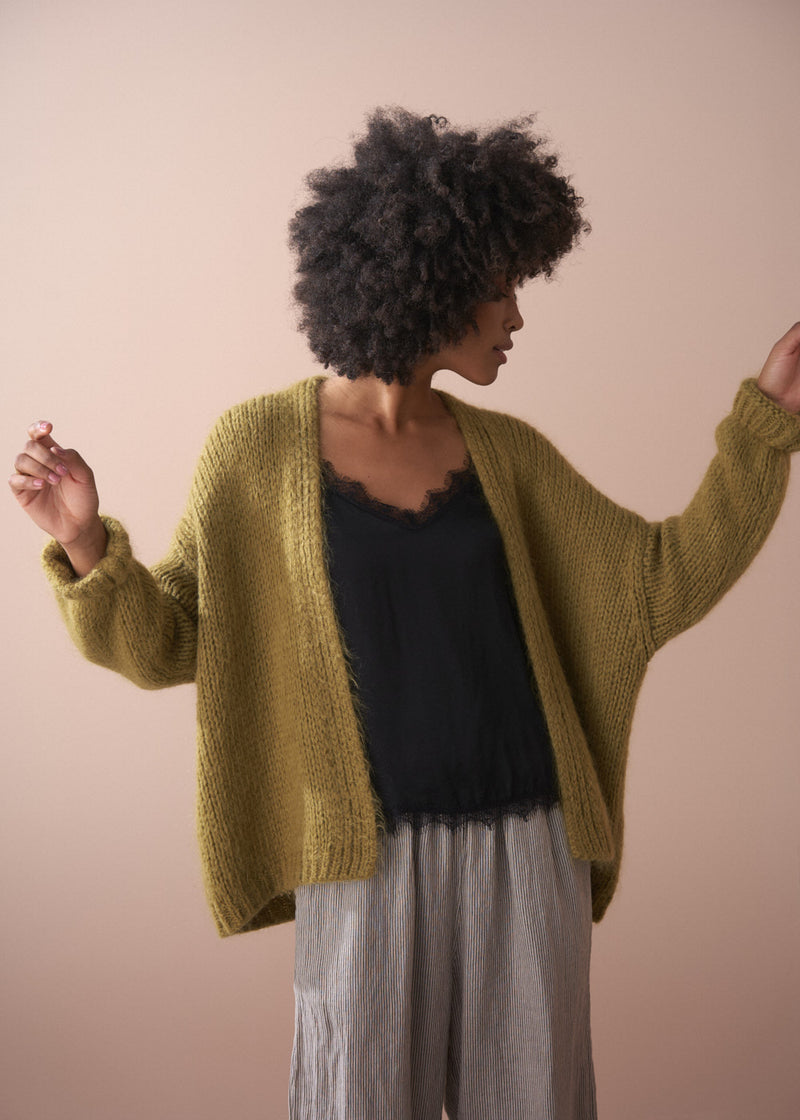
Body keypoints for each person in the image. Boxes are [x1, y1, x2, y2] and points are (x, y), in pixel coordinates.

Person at [9, 107, 800, 1120]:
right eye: (500, 285)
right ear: (429, 278)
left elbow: (658, 579)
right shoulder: (252, 452)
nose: (514, 315)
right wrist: (83, 541)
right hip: (359, 860)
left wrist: (764, 428)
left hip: (527, 851)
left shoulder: (508, 457)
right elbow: (173, 643)